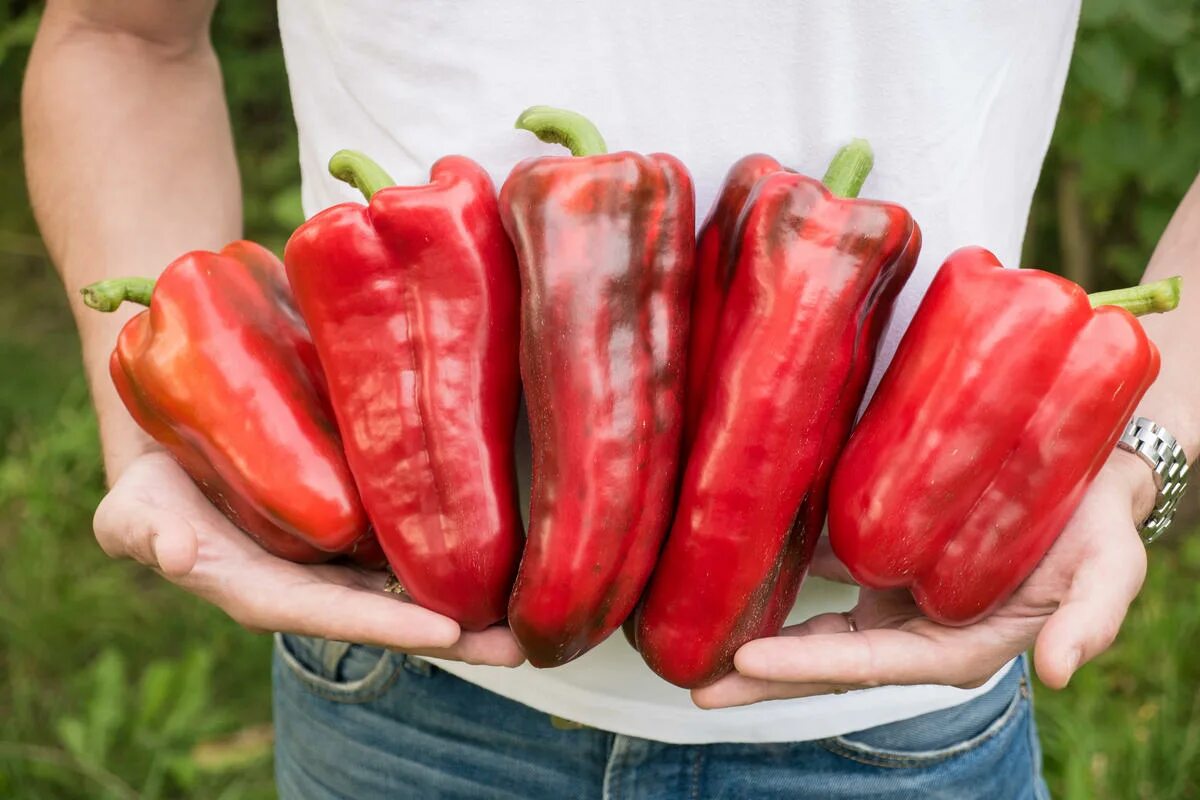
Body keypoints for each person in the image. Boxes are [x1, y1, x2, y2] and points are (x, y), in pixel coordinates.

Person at [23, 1, 1198, 798]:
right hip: (388, 664)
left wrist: (1146, 448)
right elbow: (122, 30)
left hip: (892, 697)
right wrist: (175, 439)